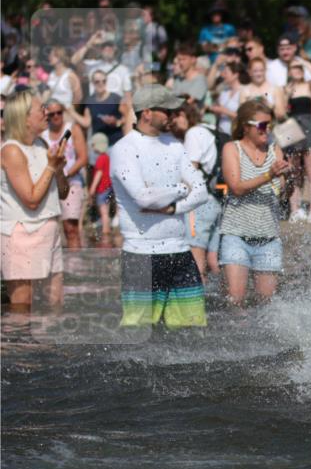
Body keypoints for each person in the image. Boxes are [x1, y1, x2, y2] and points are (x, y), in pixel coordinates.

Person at [110, 84, 209, 328]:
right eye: (167, 110)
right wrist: (181, 189)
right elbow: (143, 198)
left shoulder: (175, 145)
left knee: (193, 332)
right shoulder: (124, 149)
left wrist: (173, 209)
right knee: (138, 332)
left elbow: (202, 191)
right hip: (141, 254)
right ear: (146, 113)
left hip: (180, 251)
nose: (173, 115)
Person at [1, 89, 68, 314]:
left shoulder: (41, 144)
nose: (46, 112)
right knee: (23, 307)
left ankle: (51, 338)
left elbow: (63, 193)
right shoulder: (11, 150)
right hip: (22, 233)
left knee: (55, 302)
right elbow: (31, 200)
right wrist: (51, 166)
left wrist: (59, 169)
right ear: (25, 117)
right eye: (41, 109)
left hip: (50, 229)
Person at [218, 100, 291, 305]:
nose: (267, 129)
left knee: (266, 305)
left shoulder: (275, 150)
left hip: (268, 237)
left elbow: (281, 192)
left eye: (270, 124)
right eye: (262, 125)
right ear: (246, 126)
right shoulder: (232, 148)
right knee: (235, 301)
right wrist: (269, 175)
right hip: (236, 235)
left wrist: (290, 178)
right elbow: (236, 187)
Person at [169, 102, 222, 280]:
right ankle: (224, 296)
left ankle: (197, 296)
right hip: (217, 200)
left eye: (174, 119)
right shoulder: (211, 129)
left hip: (199, 205)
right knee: (213, 261)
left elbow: (190, 172)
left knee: (195, 259)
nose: (172, 124)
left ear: (183, 115)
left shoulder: (193, 133)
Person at [41, 100, 87, 250]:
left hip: (72, 182)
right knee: (51, 231)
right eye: (52, 114)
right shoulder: (42, 134)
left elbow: (83, 158)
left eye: (59, 113)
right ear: (46, 115)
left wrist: (65, 174)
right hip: (49, 186)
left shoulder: (73, 129)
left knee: (71, 229)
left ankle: (76, 263)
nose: (56, 116)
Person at [281, 62, 311, 223]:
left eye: (300, 68)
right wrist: (286, 95)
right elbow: (282, 112)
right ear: (289, 72)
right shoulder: (286, 89)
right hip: (291, 127)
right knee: (294, 171)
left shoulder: (308, 86)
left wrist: (302, 61)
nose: (298, 70)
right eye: (294, 68)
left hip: (308, 126)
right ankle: (295, 209)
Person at [87, 132, 114, 241]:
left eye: (93, 145)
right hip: (109, 188)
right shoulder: (107, 157)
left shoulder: (100, 159)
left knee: (103, 212)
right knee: (106, 211)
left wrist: (92, 188)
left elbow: (99, 174)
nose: (92, 147)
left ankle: (105, 231)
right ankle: (107, 228)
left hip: (102, 189)